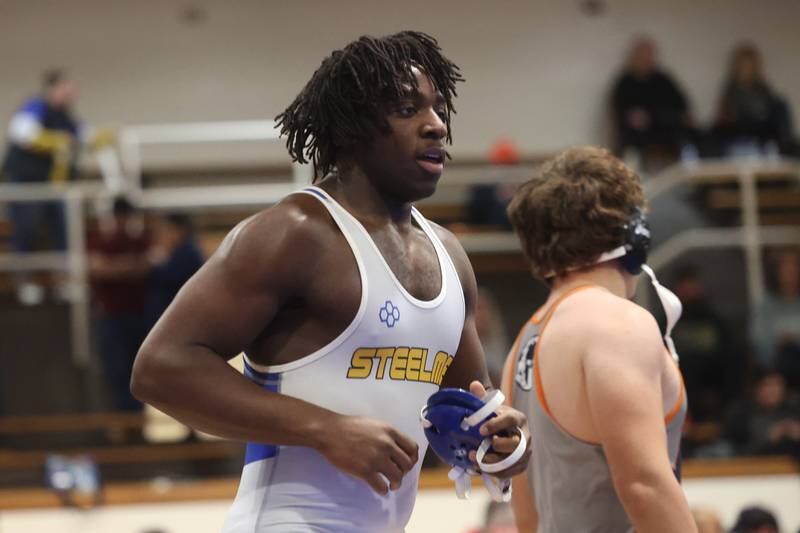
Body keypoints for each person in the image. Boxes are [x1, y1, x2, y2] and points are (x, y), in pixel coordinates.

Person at [131, 31, 529, 532]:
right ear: (352, 129)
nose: (436, 126)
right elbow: (159, 368)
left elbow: (471, 420)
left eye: (438, 108)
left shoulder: (449, 255)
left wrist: (503, 444)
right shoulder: (294, 235)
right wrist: (324, 430)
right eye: (409, 110)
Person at [501, 146, 695, 532]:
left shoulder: (523, 344)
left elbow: (526, 515)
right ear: (635, 235)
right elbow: (645, 485)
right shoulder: (617, 325)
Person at [88, 197, 150, 413]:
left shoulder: (140, 240)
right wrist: (128, 267)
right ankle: (123, 427)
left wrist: (115, 268)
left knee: (138, 372)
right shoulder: (103, 241)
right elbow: (96, 269)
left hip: (138, 316)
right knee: (117, 371)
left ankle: (136, 424)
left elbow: (147, 266)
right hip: (113, 318)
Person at [611, 36, 695, 167]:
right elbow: (622, 112)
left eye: (650, 55)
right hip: (639, 137)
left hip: (667, 130)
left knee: (692, 136)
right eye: (643, 56)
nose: (647, 59)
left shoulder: (663, 79)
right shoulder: (625, 83)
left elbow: (681, 105)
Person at [712, 43, 798, 156]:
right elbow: (727, 119)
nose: (747, 69)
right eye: (744, 65)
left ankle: (786, 146)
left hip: (763, 129)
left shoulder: (763, 88)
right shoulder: (731, 89)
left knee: (781, 104)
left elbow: (769, 111)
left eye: (750, 65)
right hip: (741, 129)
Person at [144, 213, 204, 332]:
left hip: (177, 320)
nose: (164, 235)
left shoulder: (188, 252)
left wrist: (154, 265)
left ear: (180, 230)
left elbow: (170, 277)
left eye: (168, 230)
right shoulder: (177, 251)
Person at [722, 369, 800, 458]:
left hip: (787, 467)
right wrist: (768, 439)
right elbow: (734, 452)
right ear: (756, 388)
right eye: (768, 385)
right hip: (749, 467)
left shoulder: (791, 410)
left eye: (778, 385)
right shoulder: (740, 414)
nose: (774, 390)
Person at [751, 248, 800, 389]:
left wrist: (793, 338)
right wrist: (781, 340)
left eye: (794, 270)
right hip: (776, 363)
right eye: (786, 270)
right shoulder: (766, 304)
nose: (791, 275)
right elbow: (758, 338)